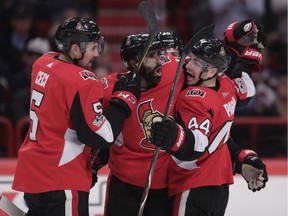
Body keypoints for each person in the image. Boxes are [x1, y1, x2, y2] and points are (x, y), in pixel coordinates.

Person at [12, 17, 141, 216]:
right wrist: (124, 100)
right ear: (74, 50)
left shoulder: (42, 63)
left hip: (32, 175)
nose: (97, 53)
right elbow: (101, 135)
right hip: (62, 177)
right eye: (93, 47)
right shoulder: (84, 81)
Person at [150, 22, 268, 215]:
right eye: (191, 58)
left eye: (197, 63)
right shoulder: (228, 86)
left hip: (192, 184)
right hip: (219, 188)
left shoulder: (192, 97)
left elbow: (197, 142)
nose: (188, 65)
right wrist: (253, 48)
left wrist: (175, 137)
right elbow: (246, 81)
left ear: (212, 71)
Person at [96, 31, 184, 216]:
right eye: (152, 56)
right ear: (135, 62)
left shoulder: (173, 72)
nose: (160, 61)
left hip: (161, 183)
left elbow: (211, 73)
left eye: (160, 54)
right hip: (122, 183)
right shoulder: (109, 86)